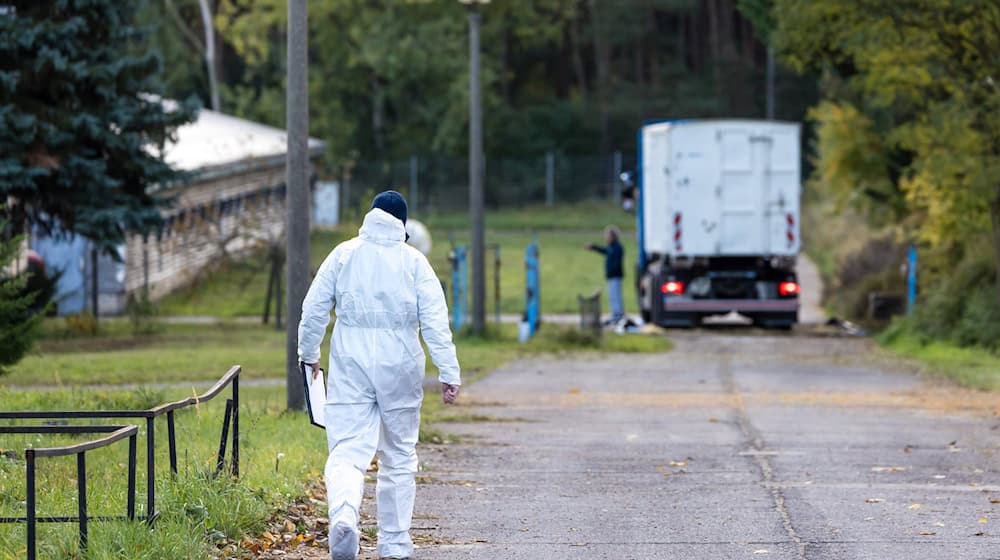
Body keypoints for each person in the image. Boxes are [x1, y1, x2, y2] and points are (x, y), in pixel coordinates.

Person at [298, 190, 461, 560]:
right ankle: (395, 543)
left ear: (369, 216)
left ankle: (343, 517)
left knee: (347, 451)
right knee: (400, 454)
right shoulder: (415, 262)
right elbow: (436, 322)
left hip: (350, 362)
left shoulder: (343, 254)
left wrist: (308, 356)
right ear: (403, 225)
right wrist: (449, 372)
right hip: (400, 364)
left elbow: (313, 310)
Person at [585, 225, 625, 324]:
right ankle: (615, 314)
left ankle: (618, 314)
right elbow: (604, 250)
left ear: (613, 236)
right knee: (612, 296)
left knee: (615, 295)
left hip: (615, 276)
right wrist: (594, 247)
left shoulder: (618, 247)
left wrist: (612, 271)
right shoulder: (611, 247)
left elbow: (616, 263)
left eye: (608, 235)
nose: (606, 237)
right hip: (611, 276)